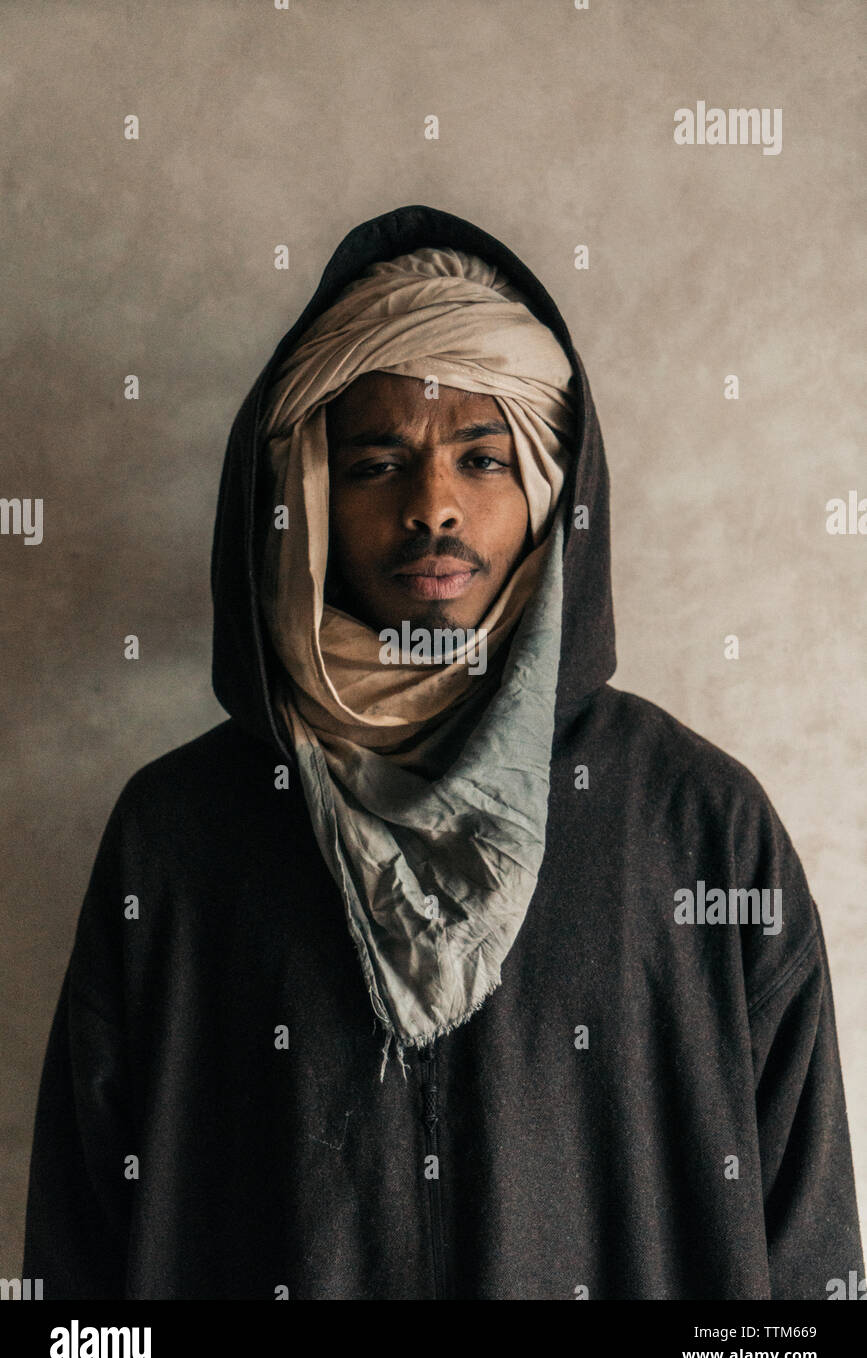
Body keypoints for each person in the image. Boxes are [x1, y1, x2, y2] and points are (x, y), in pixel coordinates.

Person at [23, 205, 863, 1300]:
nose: (434, 508)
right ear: (308, 500)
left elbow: (805, 1254)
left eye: (484, 458)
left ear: (552, 489)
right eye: (378, 464)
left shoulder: (700, 827)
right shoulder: (179, 837)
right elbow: (83, 1248)